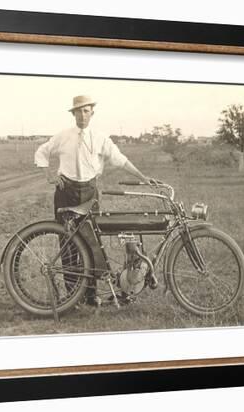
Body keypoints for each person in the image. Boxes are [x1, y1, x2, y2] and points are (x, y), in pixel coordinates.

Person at [34, 95, 156, 305]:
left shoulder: (100, 138)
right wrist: (49, 176)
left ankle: (90, 296)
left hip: (90, 193)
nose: (82, 115)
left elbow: (120, 160)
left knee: (92, 244)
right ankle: (73, 297)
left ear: (92, 113)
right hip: (66, 192)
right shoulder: (63, 136)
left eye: (86, 111)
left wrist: (143, 178)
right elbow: (42, 152)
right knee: (68, 243)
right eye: (78, 111)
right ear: (73, 114)